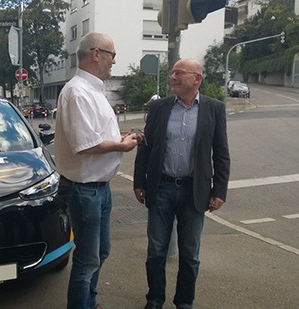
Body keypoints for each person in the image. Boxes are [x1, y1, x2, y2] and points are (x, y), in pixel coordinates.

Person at [133, 58, 231, 309]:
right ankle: (154, 300)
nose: (172, 77)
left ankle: (184, 303)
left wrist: (219, 191)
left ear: (197, 79)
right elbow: (146, 148)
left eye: (179, 73)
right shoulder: (159, 108)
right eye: (172, 73)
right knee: (156, 251)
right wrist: (139, 181)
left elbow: (221, 153)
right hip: (161, 188)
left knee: (190, 255)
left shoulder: (214, 109)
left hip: (194, 191)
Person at [54, 32, 141, 309]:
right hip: (84, 190)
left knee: (100, 252)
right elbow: (85, 144)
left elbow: (93, 134)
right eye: (112, 55)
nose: (114, 62)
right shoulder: (77, 92)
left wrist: (119, 139)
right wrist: (121, 146)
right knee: (87, 258)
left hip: (98, 189)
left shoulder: (93, 90)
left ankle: (89, 302)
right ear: (96, 54)